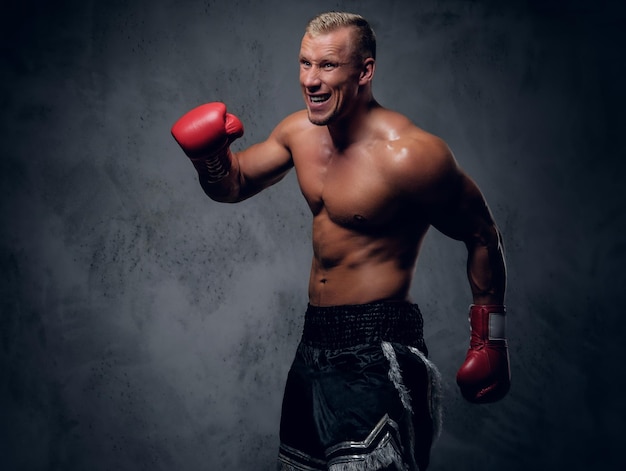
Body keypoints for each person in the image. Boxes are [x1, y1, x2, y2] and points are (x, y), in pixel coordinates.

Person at [171, 11, 510, 471]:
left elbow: (482, 233)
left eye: (327, 65)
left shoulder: (410, 154)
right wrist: (209, 157)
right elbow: (232, 185)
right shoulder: (298, 133)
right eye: (305, 63)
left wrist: (490, 341)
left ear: (364, 71)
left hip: (378, 348)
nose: (311, 79)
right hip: (313, 344)